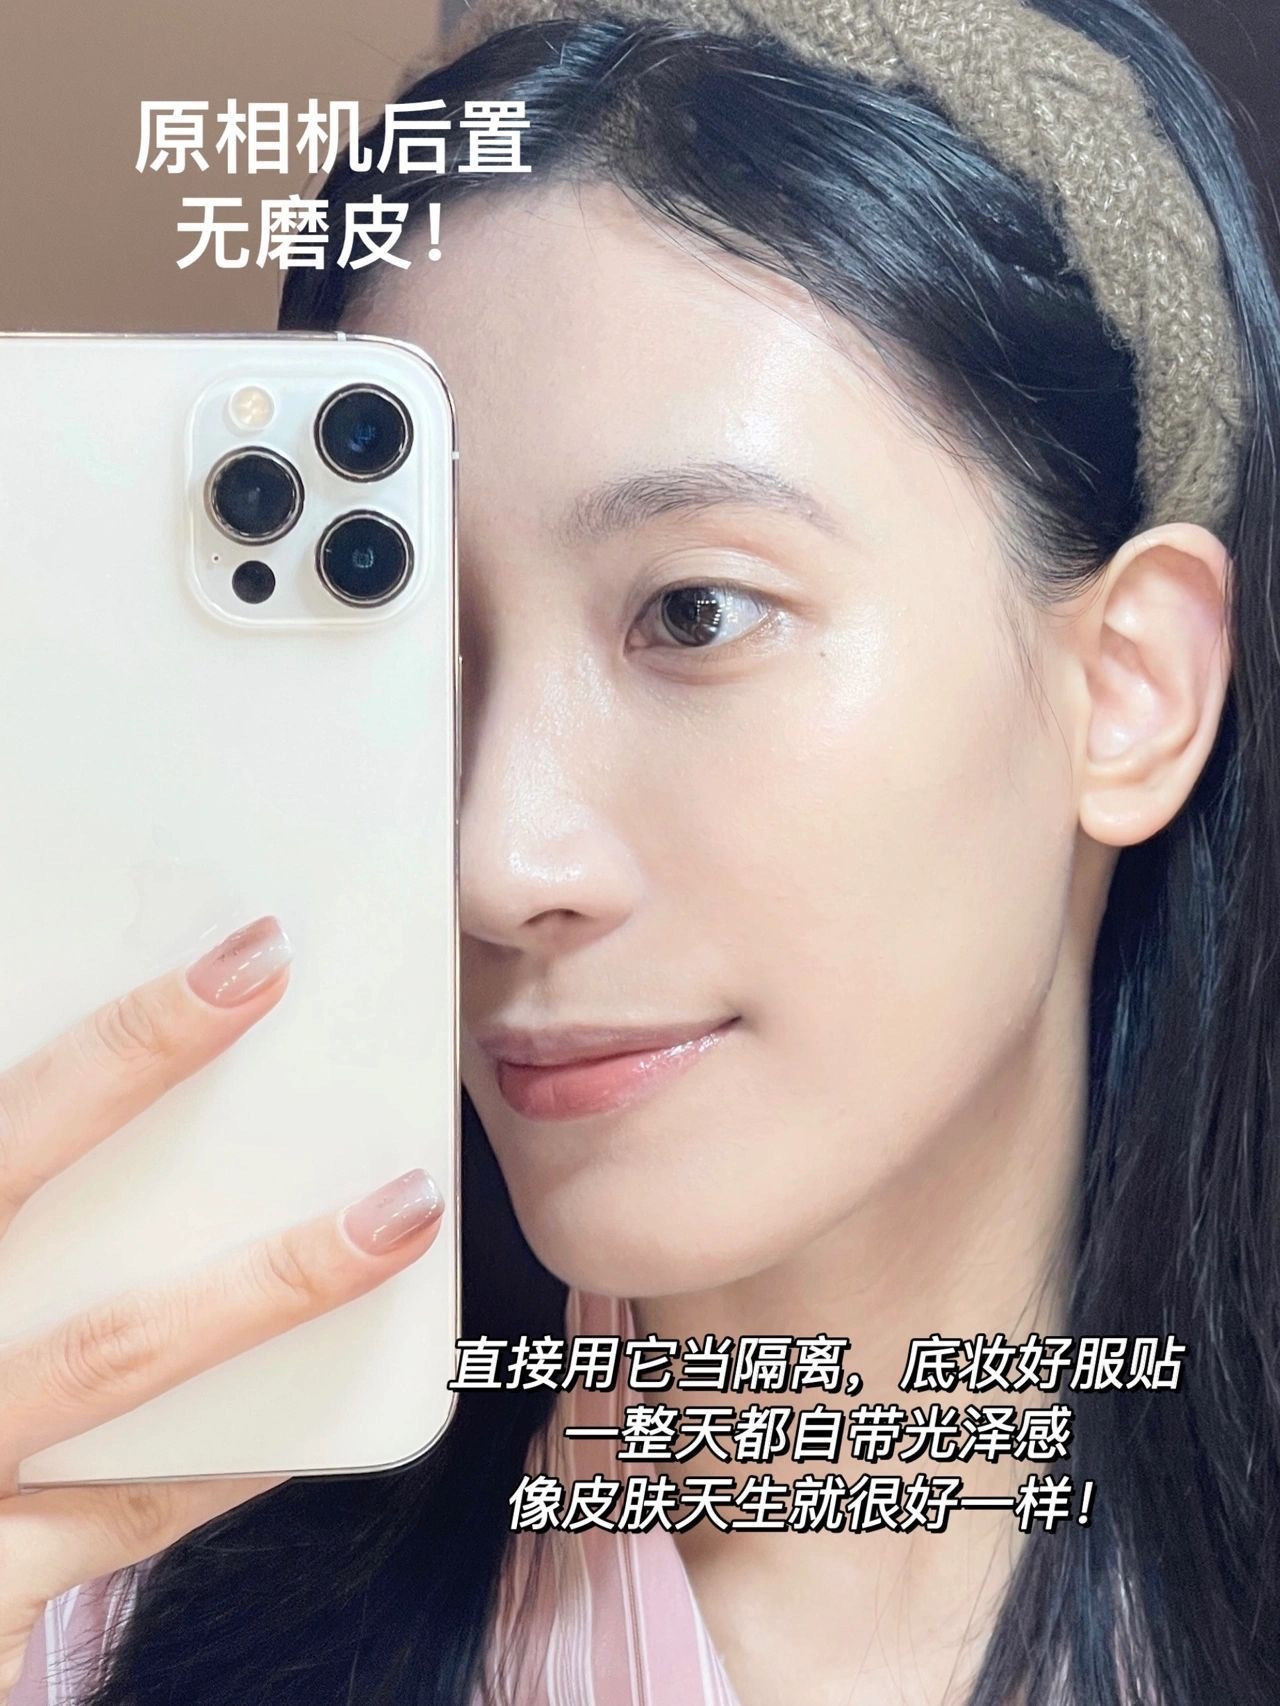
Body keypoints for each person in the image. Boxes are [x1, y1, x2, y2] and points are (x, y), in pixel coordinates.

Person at [5, 0, 1280, 1700]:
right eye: (418, 658)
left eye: (696, 612)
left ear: (1127, 688)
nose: (490, 856)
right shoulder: (85, 1617)